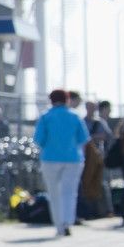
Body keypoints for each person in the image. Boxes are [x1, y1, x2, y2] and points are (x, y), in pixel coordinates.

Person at [33, 89, 89, 236]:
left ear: (50, 100)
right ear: (67, 100)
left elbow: (38, 139)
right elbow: (83, 138)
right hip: (73, 159)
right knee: (69, 192)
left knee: (54, 193)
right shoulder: (75, 116)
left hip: (50, 158)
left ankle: (58, 225)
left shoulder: (46, 117)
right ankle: (67, 221)